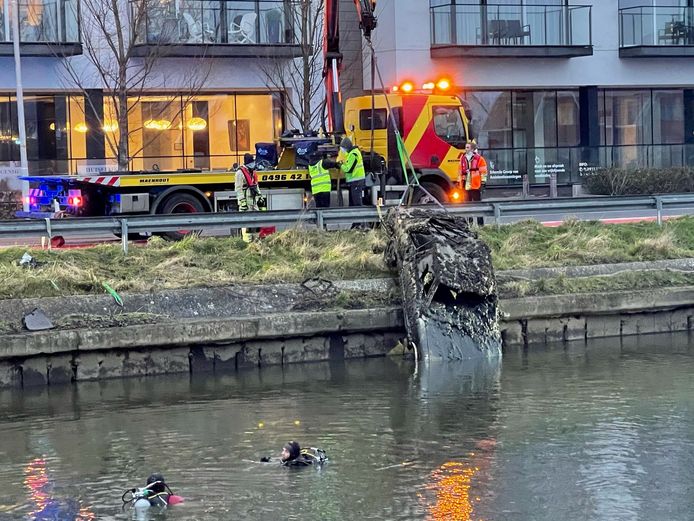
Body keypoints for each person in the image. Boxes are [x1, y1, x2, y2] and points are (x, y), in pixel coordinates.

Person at [235, 153, 265, 241]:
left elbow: (256, 185)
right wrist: (242, 201)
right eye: (251, 162)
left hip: (253, 199)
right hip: (246, 199)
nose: (253, 164)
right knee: (246, 222)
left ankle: (255, 240)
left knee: (256, 220)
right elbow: (238, 188)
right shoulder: (239, 173)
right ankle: (247, 242)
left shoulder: (253, 172)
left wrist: (260, 196)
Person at [338, 137, 366, 207]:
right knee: (352, 202)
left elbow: (349, 169)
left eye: (342, 148)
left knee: (356, 202)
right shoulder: (351, 153)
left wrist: (340, 165)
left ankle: (359, 215)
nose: (342, 150)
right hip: (355, 181)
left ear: (346, 147)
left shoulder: (353, 154)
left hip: (357, 180)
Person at [260, 441, 328, 467]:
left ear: (292, 454)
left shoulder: (296, 463)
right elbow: (282, 459)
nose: (282, 453)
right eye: (283, 450)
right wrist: (269, 459)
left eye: (286, 451)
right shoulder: (293, 457)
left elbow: (282, 463)